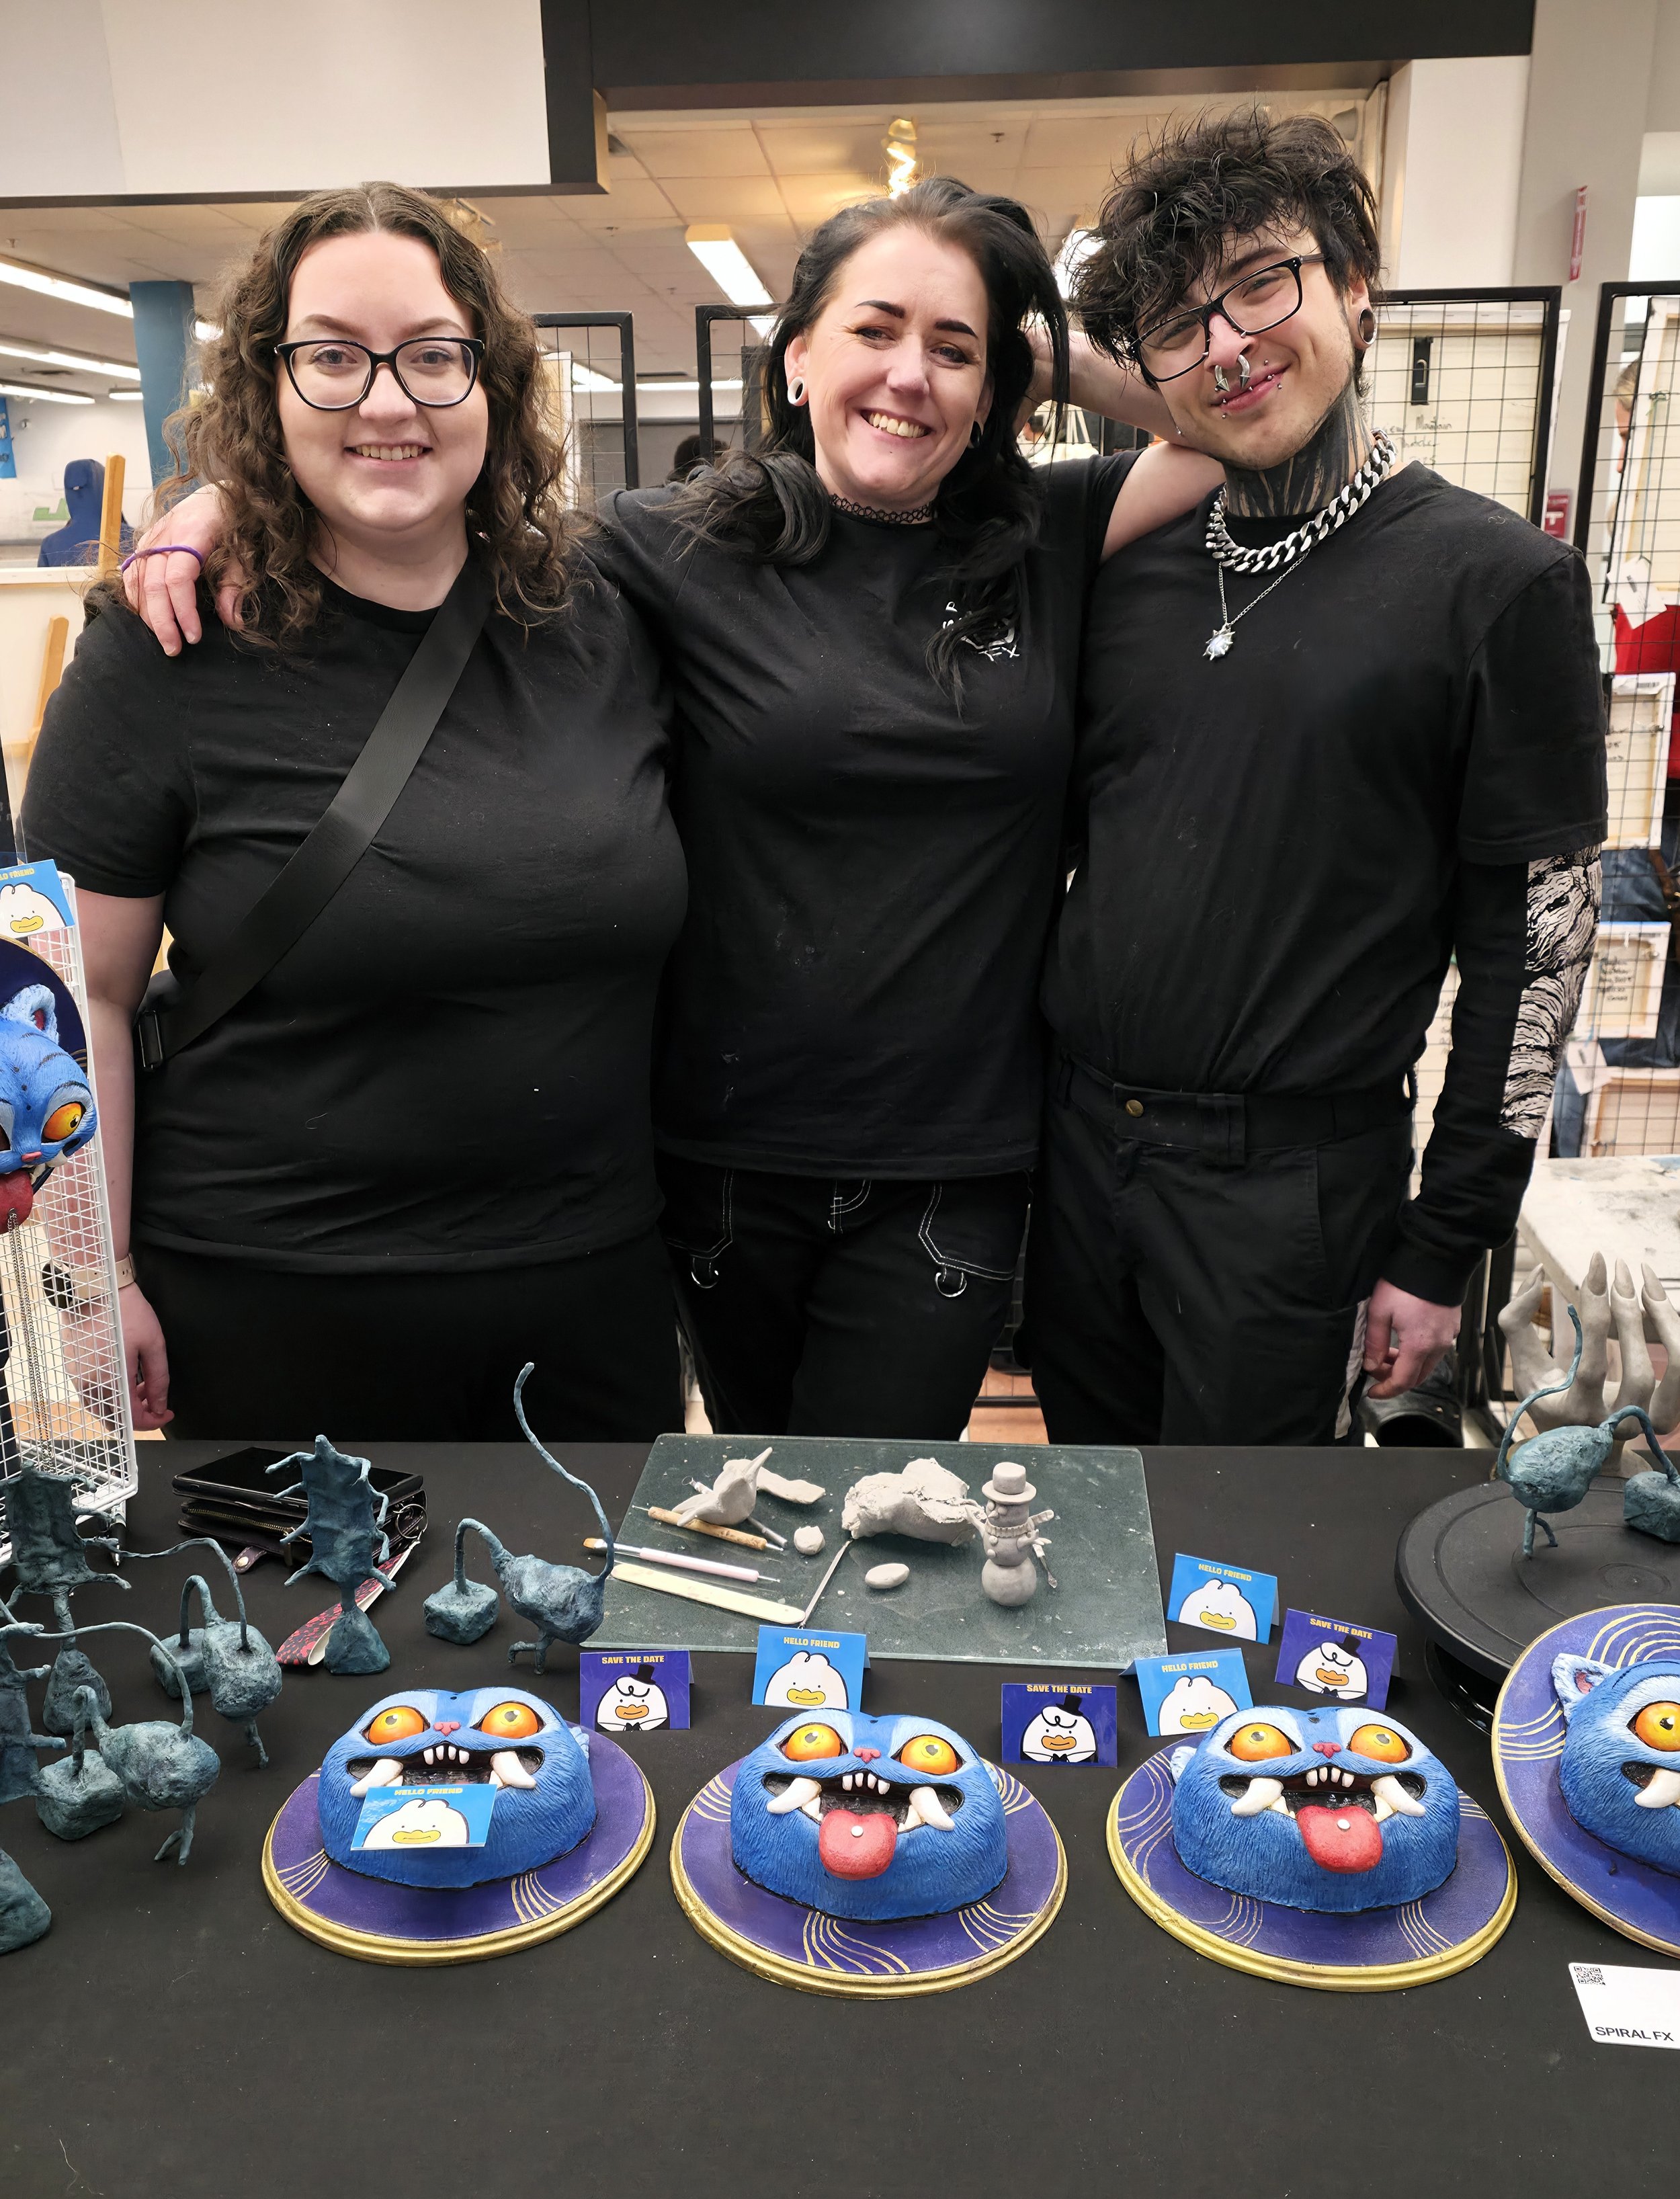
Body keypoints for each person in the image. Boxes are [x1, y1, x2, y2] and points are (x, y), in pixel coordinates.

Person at [120, 177, 1216, 1442]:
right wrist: (219, 505)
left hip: (951, 1162)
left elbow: (1219, 424)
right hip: (720, 1161)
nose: (909, 374)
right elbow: (436, 522)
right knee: (759, 1517)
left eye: (950, 351)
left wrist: (1035, 351)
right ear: (797, 357)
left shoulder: (1052, 536)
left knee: (876, 1521)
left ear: (993, 399)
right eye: (873, 330)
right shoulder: (671, 548)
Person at [23, 183, 687, 1441]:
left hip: (587, 1299)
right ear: (267, 390)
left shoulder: (607, 618)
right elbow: (74, 996)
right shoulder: (165, 649)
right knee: (275, 1642)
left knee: (596, 1639)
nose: (388, 402)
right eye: (332, 357)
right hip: (268, 1300)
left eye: (434, 357)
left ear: (491, 382)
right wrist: (94, 1279)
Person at [1024, 110, 1608, 1446]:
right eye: (1178, 322)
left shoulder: (1495, 583)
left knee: (1242, 1580)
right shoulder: (1126, 565)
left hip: (1287, 1189)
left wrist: (1442, 1235)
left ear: (1355, 283)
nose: (1226, 345)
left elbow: (1538, 948)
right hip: (1073, 1156)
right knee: (1090, 1541)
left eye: (1259, 283)